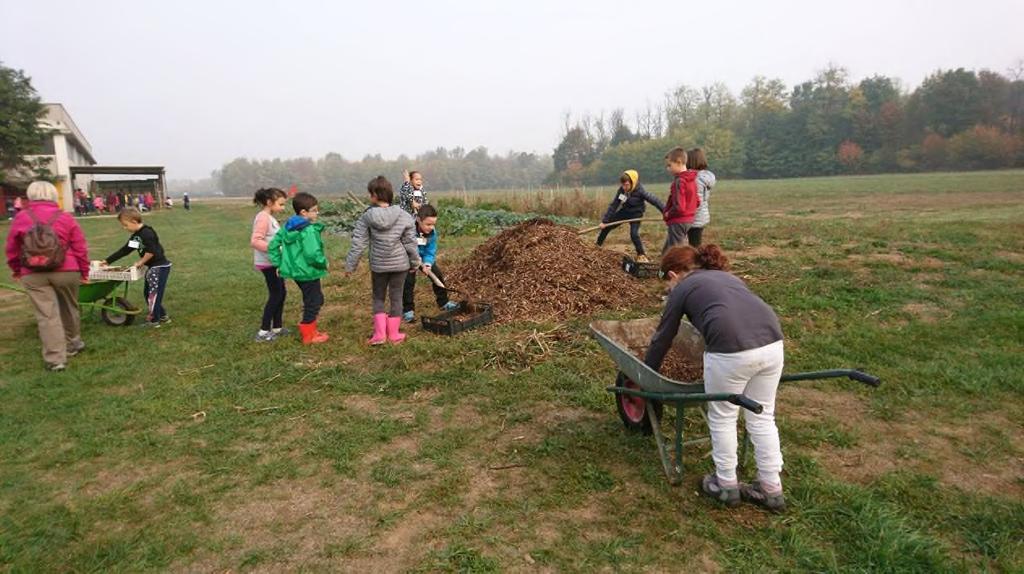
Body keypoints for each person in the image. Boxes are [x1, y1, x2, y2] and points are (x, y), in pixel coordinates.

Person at [645, 245, 786, 512]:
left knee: (723, 416)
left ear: (674, 274)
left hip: (731, 351)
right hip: (772, 344)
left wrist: (648, 373)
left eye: (667, 283)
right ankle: (771, 488)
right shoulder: (729, 277)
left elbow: (664, 336)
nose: (668, 288)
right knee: (763, 415)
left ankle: (725, 484)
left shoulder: (684, 287)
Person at [4, 181, 90, 371]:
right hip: (67, 270)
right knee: (69, 307)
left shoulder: (21, 217)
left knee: (47, 315)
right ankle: (72, 343)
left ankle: (55, 359)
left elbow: (11, 248)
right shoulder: (65, 217)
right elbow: (80, 247)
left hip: (34, 274)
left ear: (30, 196)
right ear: (53, 195)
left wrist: (17, 269)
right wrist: (84, 271)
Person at [345, 176, 421, 345]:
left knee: (378, 297)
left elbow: (358, 243)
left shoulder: (367, 217)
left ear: (373, 195)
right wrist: (415, 262)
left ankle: (379, 336)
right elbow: (410, 242)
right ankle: (394, 335)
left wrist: (350, 266)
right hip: (400, 265)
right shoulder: (403, 215)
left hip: (379, 265)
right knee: (396, 297)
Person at [267, 192, 329, 344]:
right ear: (303, 212)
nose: (317, 212)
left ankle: (311, 329)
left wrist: (278, 263)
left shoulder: (287, 227)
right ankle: (309, 335)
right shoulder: (308, 230)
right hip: (309, 272)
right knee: (314, 301)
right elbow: (312, 254)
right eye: (314, 210)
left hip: (297, 273)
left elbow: (273, 246)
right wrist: (323, 263)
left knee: (314, 299)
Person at [101, 208, 172, 328]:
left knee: (153, 294)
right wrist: (107, 261)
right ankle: (162, 315)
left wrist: (141, 262)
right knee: (147, 293)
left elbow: (151, 252)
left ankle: (154, 321)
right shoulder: (136, 237)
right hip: (153, 267)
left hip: (159, 267)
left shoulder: (147, 233)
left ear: (134, 221)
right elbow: (125, 250)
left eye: (125, 225)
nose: (124, 228)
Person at [401, 204, 459, 323]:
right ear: (418, 220)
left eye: (433, 224)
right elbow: (405, 247)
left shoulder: (432, 233)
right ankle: (408, 310)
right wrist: (415, 262)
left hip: (423, 258)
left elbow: (430, 250)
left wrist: (427, 263)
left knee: (437, 275)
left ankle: (443, 302)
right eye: (428, 224)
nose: (431, 227)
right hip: (408, 259)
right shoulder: (408, 230)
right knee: (408, 282)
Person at [596, 170, 665, 262]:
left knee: (634, 234)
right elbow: (614, 205)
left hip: (636, 214)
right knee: (606, 227)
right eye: (623, 185)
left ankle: (641, 254)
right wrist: (605, 221)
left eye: (627, 185)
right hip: (625, 212)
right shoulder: (621, 191)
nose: (624, 187)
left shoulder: (640, 191)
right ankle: (596, 246)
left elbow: (655, 201)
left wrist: (665, 212)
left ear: (633, 182)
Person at [250, 187, 289, 342]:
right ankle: (263, 332)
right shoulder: (263, 218)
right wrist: (274, 250)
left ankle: (277, 327)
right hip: (268, 263)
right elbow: (255, 240)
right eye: (280, 204)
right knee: (276, 294)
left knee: (282, 292)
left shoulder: (269, 217)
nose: (283, 207)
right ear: (269, 202)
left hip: (275, 263)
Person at [661, 147, 699, 254]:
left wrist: (668, 213)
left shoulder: (680, 181)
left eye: (669, 165)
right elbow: (697, 201)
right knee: (668, 249)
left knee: (676, 252)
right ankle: (663, 266)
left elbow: (680, 207)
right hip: (689, 220)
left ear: (679, 162)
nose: (668, 169)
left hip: (678, 221)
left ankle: (679, 268)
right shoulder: (691, 180)